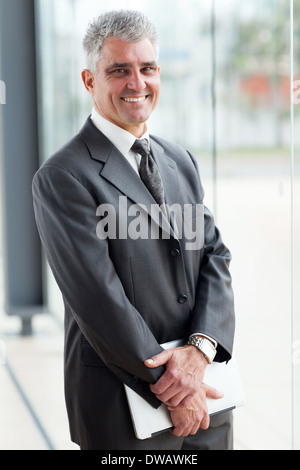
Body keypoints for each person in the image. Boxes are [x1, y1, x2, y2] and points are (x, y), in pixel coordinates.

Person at [32, 10, 235, 451]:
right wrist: (174, 386)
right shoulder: (63, 176)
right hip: (125, 408)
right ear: (89, 81)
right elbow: (97, 298)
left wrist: (200, 351)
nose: (137, 83)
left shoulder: (179, 159)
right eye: (119, 70)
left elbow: (214, 255)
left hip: (208, 395)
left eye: (147, 68)